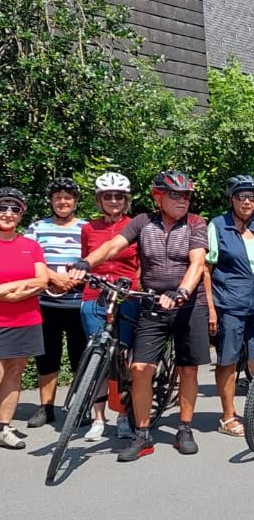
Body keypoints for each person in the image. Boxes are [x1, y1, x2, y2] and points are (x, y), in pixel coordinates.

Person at [70, 170, 209, 462]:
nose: (182, 200)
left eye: (186, 196)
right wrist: (86, 262)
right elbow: (111, 246)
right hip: (153, 301)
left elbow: (197, 263)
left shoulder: (196, 223)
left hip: (188, 304)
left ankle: (184, 428)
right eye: (175, 195)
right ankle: (142, 434)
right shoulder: (143, 222)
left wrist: (182, 292)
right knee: (140, 368)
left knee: (188, 369)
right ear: (158, 197)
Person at [205, 176, 254, 437]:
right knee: (228, 360)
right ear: (231, 200)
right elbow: (206, 268)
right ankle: (227, 416)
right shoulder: (218, 225)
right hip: (229, 305)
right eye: (241, 197)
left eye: (251, 197)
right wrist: (211, 308)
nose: (247, 202)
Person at [78, 172, 140, 441]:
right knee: (97, 356)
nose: (113, 200)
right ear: (99, 199)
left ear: (126, 200)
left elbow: (143, 263)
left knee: (124, 359)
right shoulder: (88, 228)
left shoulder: (136, 226)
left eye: (118, 196)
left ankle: (124, 416)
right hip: (95, 296)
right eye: (107, 196)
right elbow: (86, 260)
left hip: (128, 295)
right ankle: (98, 418)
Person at [24, 177, 88, 429]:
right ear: (51, 201)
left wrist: (71, 280)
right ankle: (46, 407)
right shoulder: (37, 227)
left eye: (68, 197)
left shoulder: (85, 228)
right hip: (45, 304)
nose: (63, 202)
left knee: (80, 358)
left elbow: (93, 260)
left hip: (77, 302)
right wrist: (54, 278)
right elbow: (29, 260)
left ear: (75, 201)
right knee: (46, 357)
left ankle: (80, 407)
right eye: (58, 197)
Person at [0, 188, 48, 449]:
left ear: (21, 215)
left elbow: (42, 280)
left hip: (26, 318)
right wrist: (19, 290)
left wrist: (7, 290)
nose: (8, 213)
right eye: (4, 206)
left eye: (15, 209)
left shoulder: (31, 246)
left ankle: (4, 427)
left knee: (16, 370)